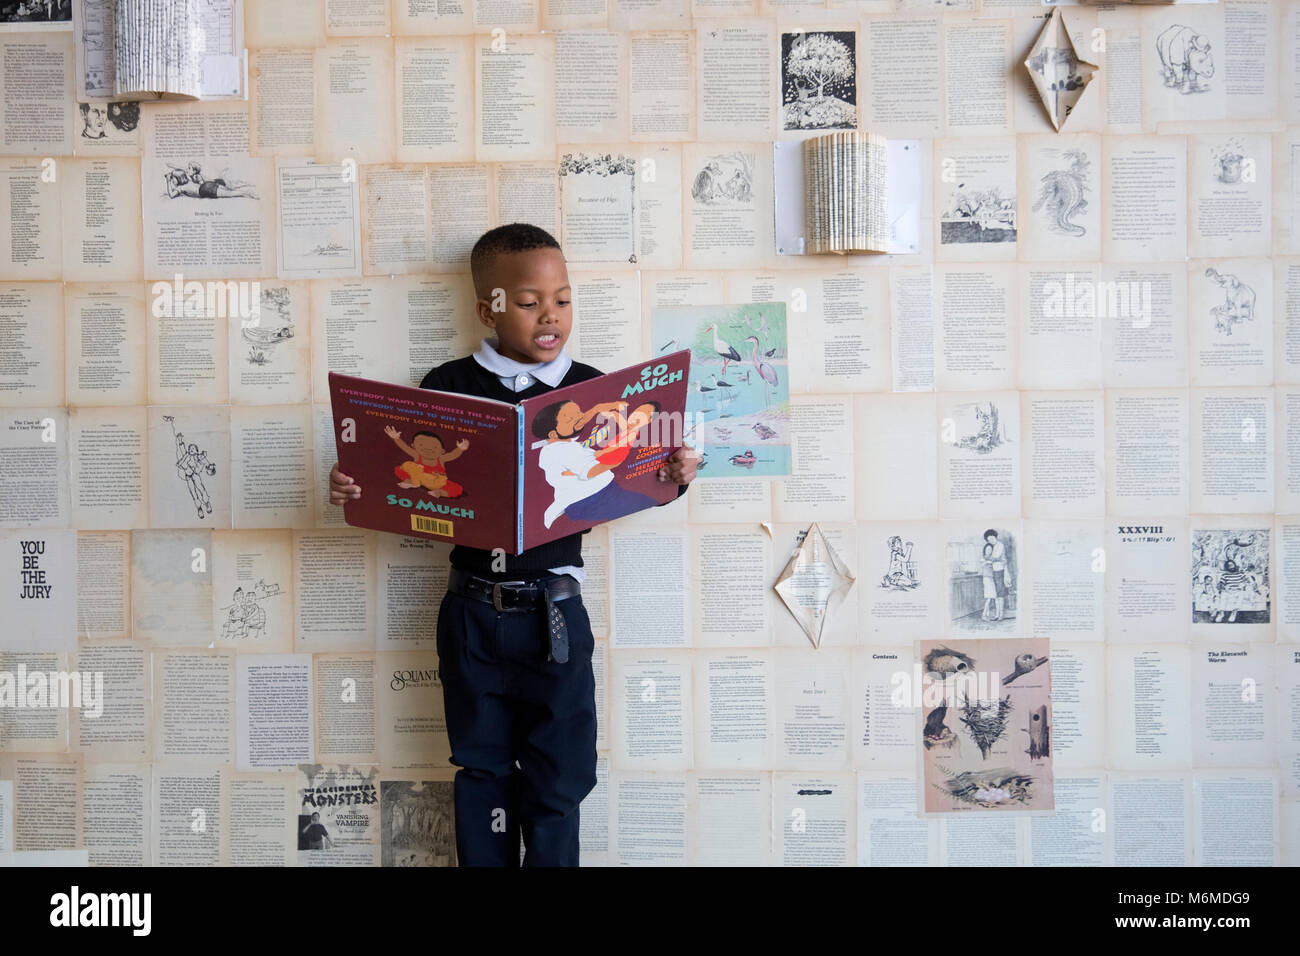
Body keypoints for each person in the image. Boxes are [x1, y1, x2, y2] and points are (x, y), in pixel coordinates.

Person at [329, 223, 698, 866]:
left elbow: (633, 476)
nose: (549, 315)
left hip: (555, 615)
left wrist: (674, 473)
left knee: (559, 783)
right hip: (472, 612)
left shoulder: (595, 390)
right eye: (528, 303)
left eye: (562, 299)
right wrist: (356, 487)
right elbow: (414, 495)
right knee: (482, 773)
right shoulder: (446, 384)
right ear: (489, 309)